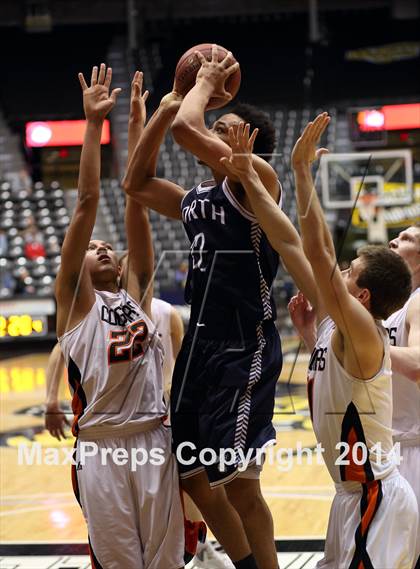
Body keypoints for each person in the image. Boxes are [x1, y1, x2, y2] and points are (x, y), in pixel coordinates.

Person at [124, 47, 284, 569]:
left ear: (250, 143)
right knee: (189, 468)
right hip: (201, 345)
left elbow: (189, 132)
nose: (216, 127)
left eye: (228, 124)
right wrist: (170, 102)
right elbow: (135, 181)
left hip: (245, 342)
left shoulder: (255, 179)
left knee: (237, 483)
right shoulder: (195, 198)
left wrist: (200, 87)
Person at [55, 63, 184, 568]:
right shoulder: (76, 302)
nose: (103, 248)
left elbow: (137, 199)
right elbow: (88, 202)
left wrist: (137, 126)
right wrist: (93, 126)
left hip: (155, 435)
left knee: (167, 561)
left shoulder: (139, 296)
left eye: (109, 246)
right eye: (92, 247)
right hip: (104, 449)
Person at [286, 113, 418, 568]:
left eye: (349, 274)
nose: (339, 273)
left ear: (361, 294)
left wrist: (301, 173)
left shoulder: (364, 325)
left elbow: (316, 248)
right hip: (353, 492)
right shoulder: (341, 327)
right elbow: (296, 246)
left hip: (380, 487)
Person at [385, 224, 420, 566]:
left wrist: (371, 341)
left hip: (415, 450)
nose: (394, 240)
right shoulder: (395, 306)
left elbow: (418, 363)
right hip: (394, 450)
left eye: (407, 238)